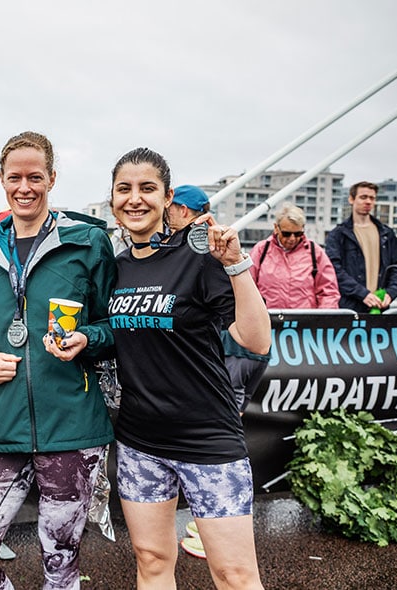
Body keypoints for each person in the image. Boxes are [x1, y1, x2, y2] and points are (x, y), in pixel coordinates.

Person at [0, 131, 117, 589]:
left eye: (35, 177)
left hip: (72, 425)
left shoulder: (87, 243)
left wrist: (87, 337)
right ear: (1, 180)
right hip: (2, 425)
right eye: (14, 178)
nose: (24, 187)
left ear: (52, 178)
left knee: (61, 558)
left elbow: (115, 326)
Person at [108, 147, 270, 589]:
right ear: (112, 199)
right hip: (140, 442)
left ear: (167, 197)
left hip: (208, 439)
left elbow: (256, 340)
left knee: (235, 574)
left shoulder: (199, 259)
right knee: (152, 560)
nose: (135, 199)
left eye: (147, 188)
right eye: (124, 189)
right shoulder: (114, 269)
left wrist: (236, 265)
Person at [325, 181, 397, 313]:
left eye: (372, 198)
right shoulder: (338, 235)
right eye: (363, 197)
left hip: (380, 308)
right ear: (351, 199)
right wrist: (362, 294)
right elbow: (333, 270)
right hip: (349, 308)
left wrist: (390, 293)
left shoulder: (386, 233)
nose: (368, 202)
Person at [248, 202, 339, 309]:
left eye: (298, 234)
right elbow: (247, 287)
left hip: (305, 321)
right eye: (286, 234)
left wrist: (323, 319)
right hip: (267, 320)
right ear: (276, 228)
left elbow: (329, 292)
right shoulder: (261, 250)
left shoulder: (316, 252)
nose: (292, 238)